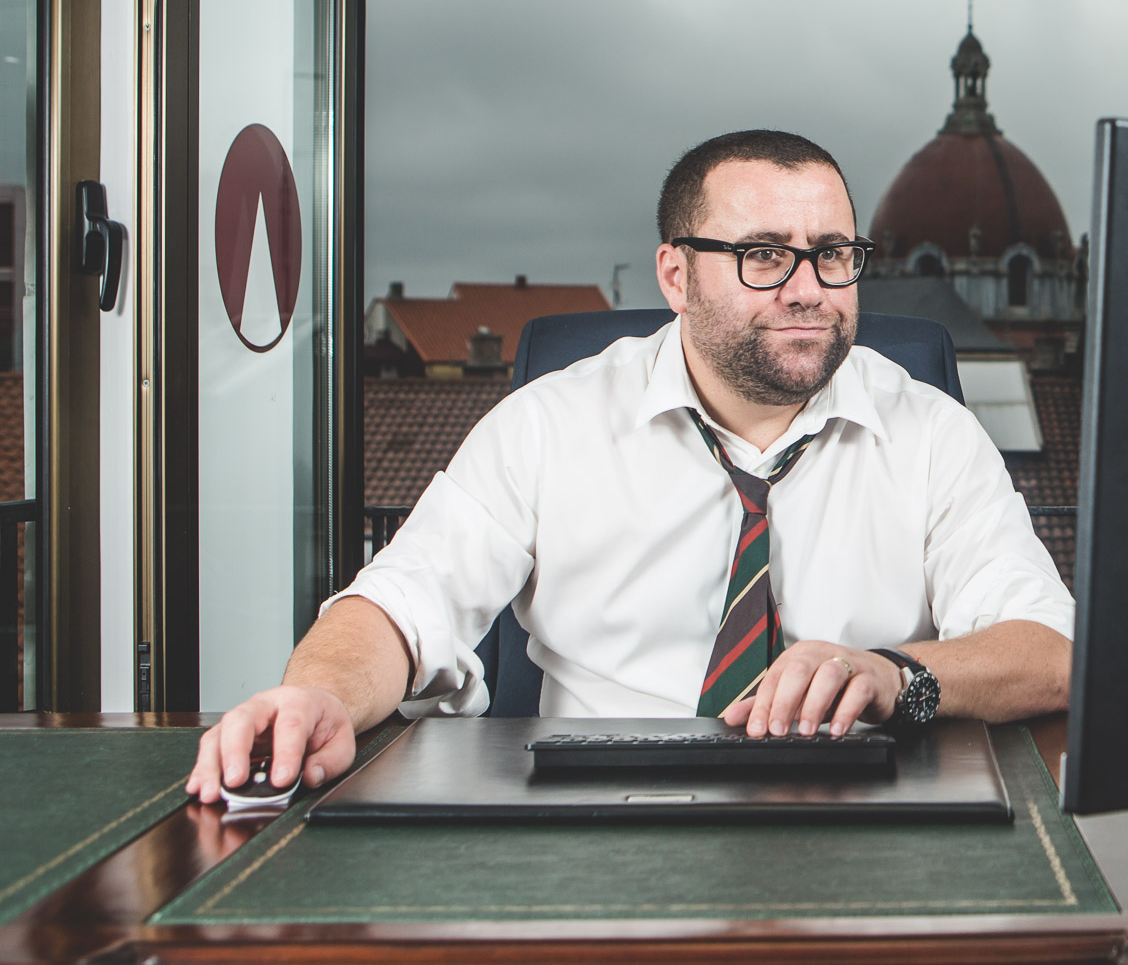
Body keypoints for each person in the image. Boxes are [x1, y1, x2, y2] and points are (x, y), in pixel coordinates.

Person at [187, 129, 1075, 803]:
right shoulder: (551, 423)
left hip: (864, 820)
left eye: (834, 255)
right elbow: (398, 605)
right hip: (595, 819)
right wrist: (318, 696)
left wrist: (895, 673)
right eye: (764, 255)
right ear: (676, 276)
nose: (808, 289)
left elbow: (1051, 650)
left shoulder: (932, 432)